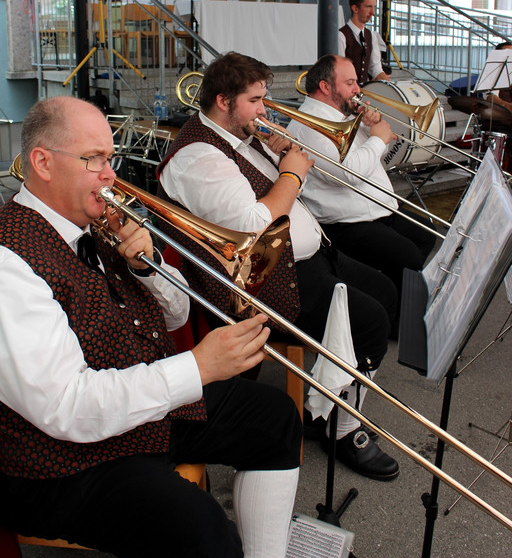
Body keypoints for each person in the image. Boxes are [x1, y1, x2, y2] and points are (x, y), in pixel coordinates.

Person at [0, 96, 302, 558]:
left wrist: (147, 266)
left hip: (134, 411)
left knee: (275, 417)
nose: (110, 175)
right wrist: (198, 367)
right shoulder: (9, 260)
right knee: (205, 533)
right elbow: (65, 407)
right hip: (60, 462)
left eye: (111, 158)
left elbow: (177, 315)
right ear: (42, 163)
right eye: (94, 159)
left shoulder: (92, 223)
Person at [157, 51, 400, 482]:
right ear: (223, 101)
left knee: (385, 292)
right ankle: (343, 430)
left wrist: (280, 155)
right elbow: (254, 225)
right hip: (268, 282)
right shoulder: (198, 157)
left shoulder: (237, 137)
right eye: (255, 101)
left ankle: (329, 402)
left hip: (308, 258)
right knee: (371, 321)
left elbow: (273, 194)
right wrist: (292, 173)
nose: (264, 110)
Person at [287, 55, 436, 337]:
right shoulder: (310, 124)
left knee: (426, 235)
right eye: (350, 82)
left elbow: (372, 156)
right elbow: (350, 174)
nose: (358, 89)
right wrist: (378, 138)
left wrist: (370, 128)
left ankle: (398, 306)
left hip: (376, 211)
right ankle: (395, 324)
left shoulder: (342, 116)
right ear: (326, 87)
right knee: (408, 256)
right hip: (346, 223)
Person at [339, 0, 389, 83]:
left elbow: (375, 68)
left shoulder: (371, 36)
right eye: (368, 7)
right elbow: (340, 71)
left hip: (364, 90)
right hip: (346, 90)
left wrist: (389, 86)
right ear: (355, 8)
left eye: (374, 7)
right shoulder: (341, 36)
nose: (373, 12)